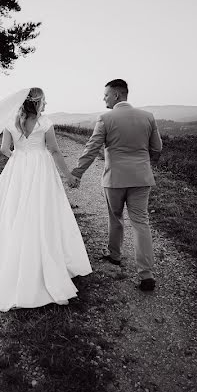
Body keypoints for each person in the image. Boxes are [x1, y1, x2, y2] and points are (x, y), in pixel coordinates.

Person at [0, 87, 92, 311]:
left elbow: (4, 149)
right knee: (42, 211)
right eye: (44, 100)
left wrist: (19, 157)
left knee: (15, 209)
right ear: (38, 102)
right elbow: (54, 151)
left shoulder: (12, 122)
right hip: (41, 169)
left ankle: (13, 258)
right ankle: (43, 261)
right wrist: (68, 176)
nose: (46, 104)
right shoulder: (44, 123)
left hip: (18, 169)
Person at [71, 79, 163, 291]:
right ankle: (146, 274)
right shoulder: (148, 117)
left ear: (117, 95)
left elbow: (92, 148)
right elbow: (157, 147)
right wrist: (144, 163)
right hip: (141, 178)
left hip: (115, 180)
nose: (103, 98)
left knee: (116, 217)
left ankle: (114, 255)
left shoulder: (105, 118)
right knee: (141, 223)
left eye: (106, 94)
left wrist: (77, 173)